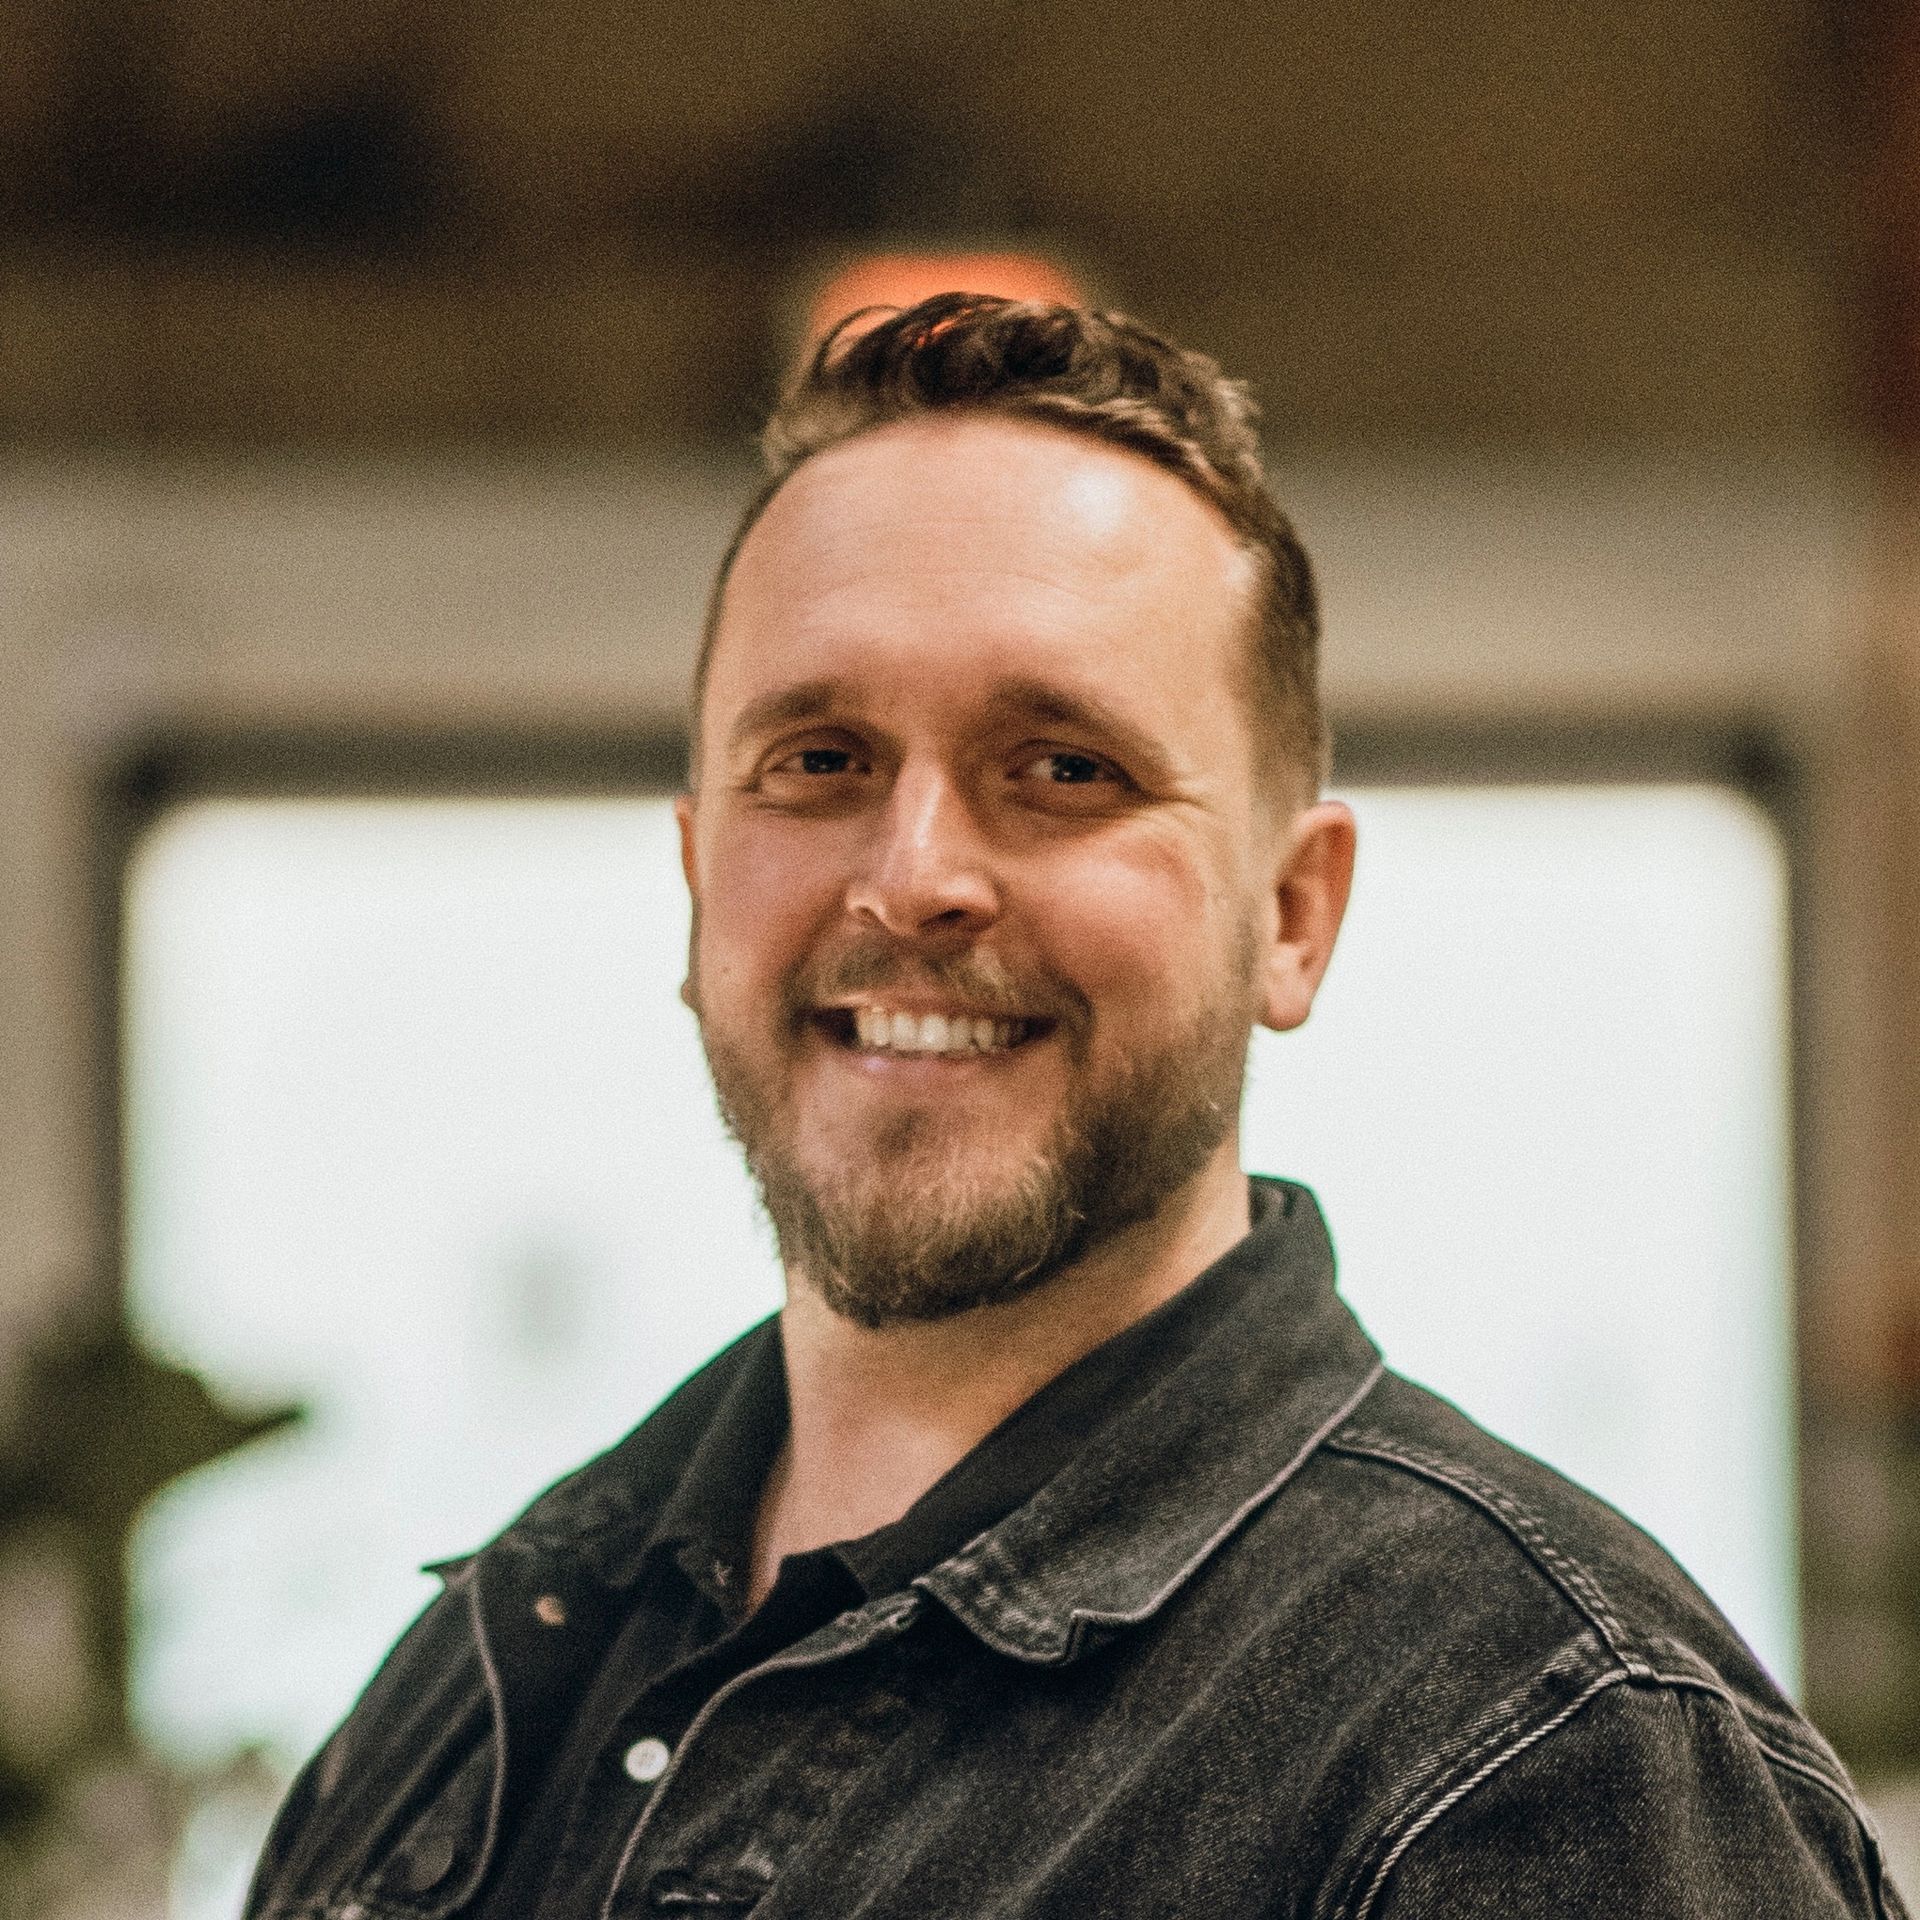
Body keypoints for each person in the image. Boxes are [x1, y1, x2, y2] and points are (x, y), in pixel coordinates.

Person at [243, 295, 1906, 1920]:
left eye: (1064, 768)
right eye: (818, 762)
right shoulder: (491, 1665)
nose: (912, 881)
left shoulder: (1546, 1756)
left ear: (1292, 914)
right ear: (696, 881)